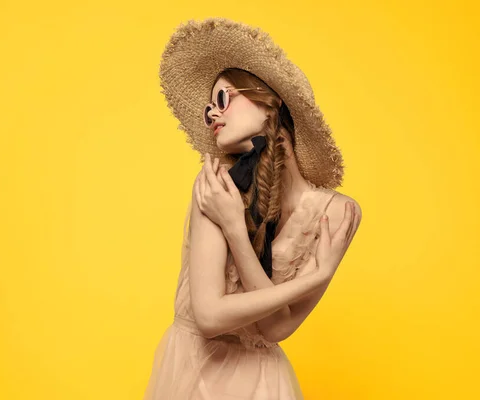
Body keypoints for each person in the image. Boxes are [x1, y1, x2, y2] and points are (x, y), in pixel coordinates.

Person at [144, 17, 362, 399]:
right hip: (196, 373)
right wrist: (314, 277)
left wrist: (234, 230)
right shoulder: (216, 185)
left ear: (268, 101)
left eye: (223, 98)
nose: (212, 113)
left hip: (261, 383)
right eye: (209, 107)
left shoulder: (338, 214)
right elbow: (210, 317)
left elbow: (275, 329)